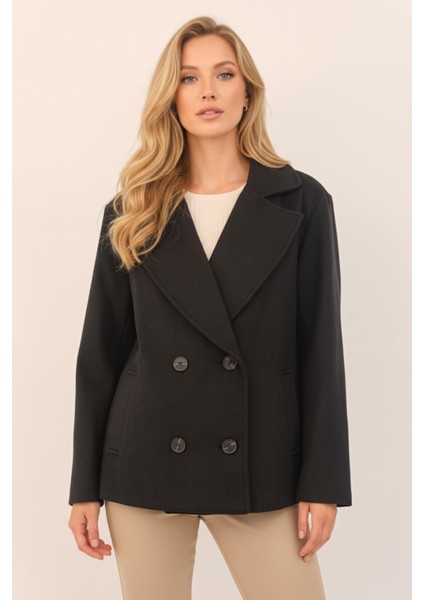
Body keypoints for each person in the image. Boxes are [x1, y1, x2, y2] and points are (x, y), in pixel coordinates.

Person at [68, 15, 352, 600]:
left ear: (247, 93)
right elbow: (100, 353)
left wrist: (323, 482)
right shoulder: (134, 208)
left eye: (224, 75)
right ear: (171, 98)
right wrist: (83, 487)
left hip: (261, 461)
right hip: (145, 461)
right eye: (189, 77)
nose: (208, 91)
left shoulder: (302, 202)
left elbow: (321, 348)